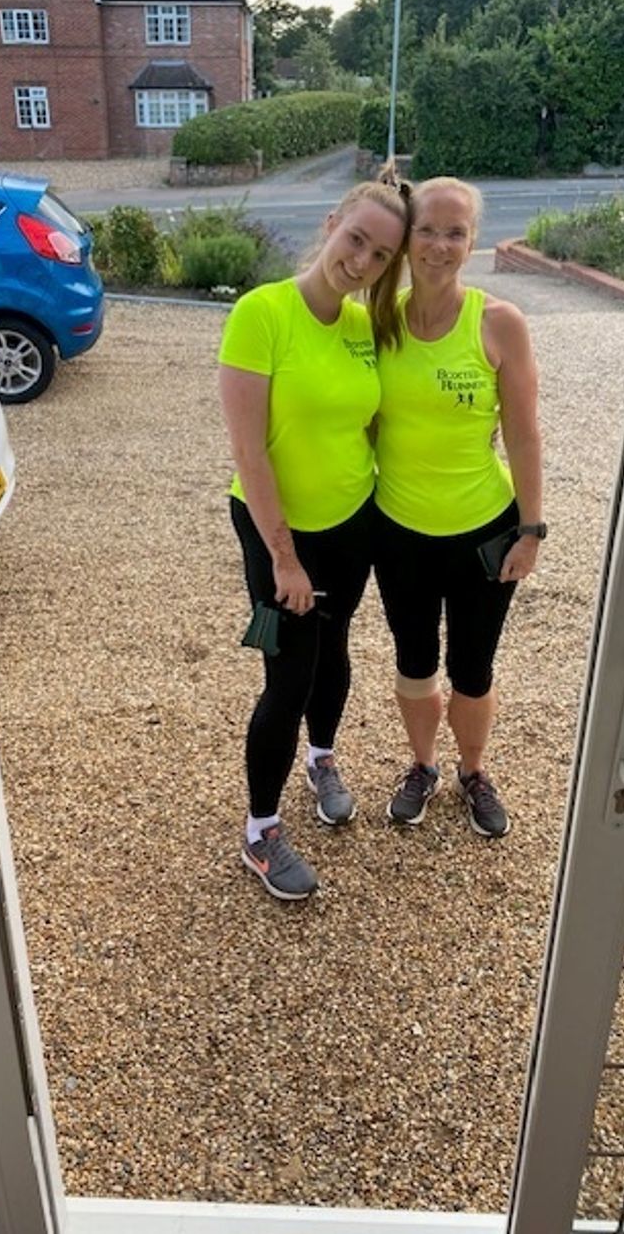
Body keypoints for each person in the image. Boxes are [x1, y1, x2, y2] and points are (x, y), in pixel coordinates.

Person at [219, 174, 411, 900]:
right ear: (332, 223)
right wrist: (284, 558)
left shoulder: (365, 329)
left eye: (380, 254)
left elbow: (371, 423)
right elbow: (250, 451)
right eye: (355, 238)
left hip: (349, 524)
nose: (360, 261)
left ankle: (322, 758)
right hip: (278, 532)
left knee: (335, 648)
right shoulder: (260, 313)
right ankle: (261, 831)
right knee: (286, 675)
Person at [373, 175, 544, 837]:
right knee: (414, 659)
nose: (440, 245)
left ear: (471, 242)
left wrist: (532, 529)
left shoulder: (499, 323)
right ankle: (423, 765)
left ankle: (474, 770)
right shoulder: (377, 319)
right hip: (399, 532)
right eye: (427, 230)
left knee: (472, 664)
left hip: (485, 531)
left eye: (455, 232)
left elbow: (526, 433)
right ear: (406, 237)